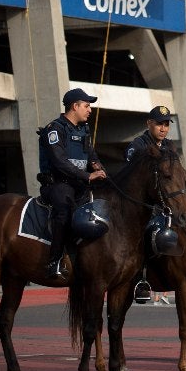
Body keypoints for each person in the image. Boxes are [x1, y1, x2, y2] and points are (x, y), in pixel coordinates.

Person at [37, 87, 107, 279]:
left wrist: (97, 167)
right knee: (64, 210)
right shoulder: (54, 129)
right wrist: (87, 177)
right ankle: (55, 260)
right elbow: (59, 162)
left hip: (79, 184)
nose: (90, 110)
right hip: (57, 184)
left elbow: (92, 156)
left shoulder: (83, 129)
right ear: (74, 106)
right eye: (86, 106)